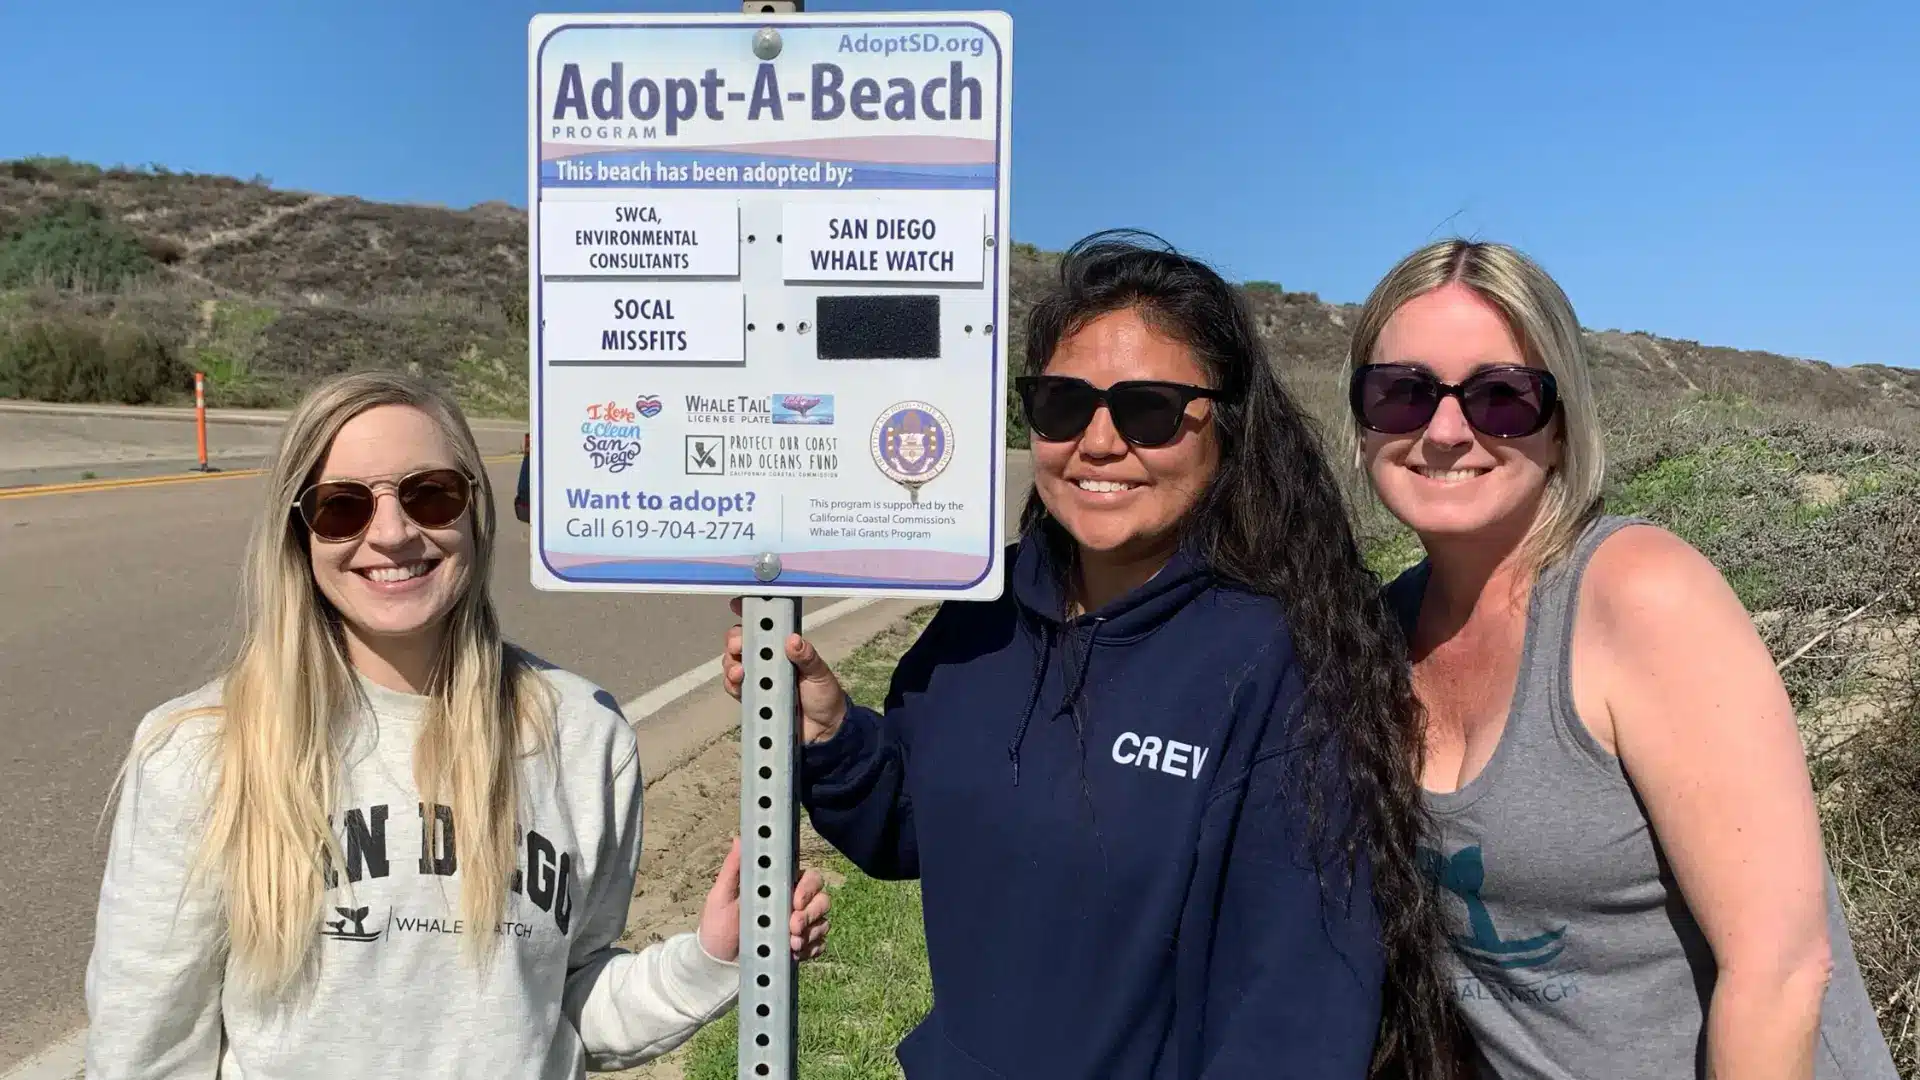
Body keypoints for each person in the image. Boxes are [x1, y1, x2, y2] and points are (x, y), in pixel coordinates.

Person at [722, 230, 1459, 1079]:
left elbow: (1293, 1010)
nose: (1100, 442)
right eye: (1065, 405)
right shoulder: (984, 611)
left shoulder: (1280, 660)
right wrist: (831, 731)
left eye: (1147, 409)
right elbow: (919, 825)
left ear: (1223, 425)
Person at [86, 370, 830, 1079]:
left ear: (473, 513)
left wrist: (715, 957)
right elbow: (145, 1049)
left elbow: (567, 1005)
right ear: (300, 534)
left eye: (429, 495)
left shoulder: (579, 733)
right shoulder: (199, 751)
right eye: (343, 505)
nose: (391, 533)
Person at [1342, 238, 1900, 1079]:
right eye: (1403, 394)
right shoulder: (1379, 635)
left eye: (1500, 397)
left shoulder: (1638, 598)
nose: (1447, 432)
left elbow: (1780, 971)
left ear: (1562, 428)